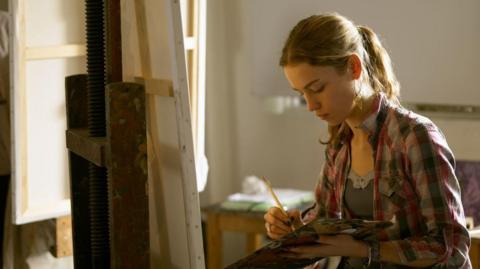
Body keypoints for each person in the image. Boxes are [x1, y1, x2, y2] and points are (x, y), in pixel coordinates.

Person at [263, 13, 471, 268]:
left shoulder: (415, 137)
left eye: (317, 89)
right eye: (301, 93)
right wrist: (293, 229)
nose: (310, 105)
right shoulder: (339, 144)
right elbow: (325, 222)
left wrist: (362, 249)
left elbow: (450, 249)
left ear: (354, 67)